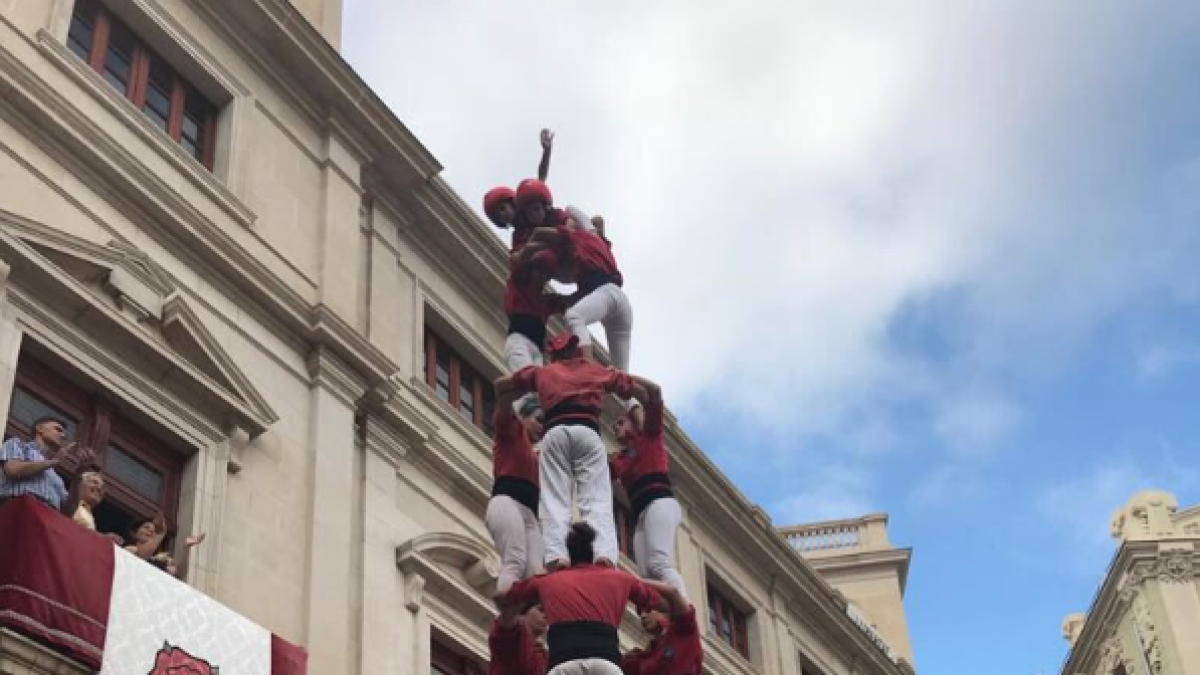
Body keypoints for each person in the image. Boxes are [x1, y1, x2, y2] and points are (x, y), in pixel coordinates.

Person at [495, 333, 638, 569]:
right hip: (588, 432)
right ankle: (603, 554)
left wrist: (514, 395)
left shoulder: (544, 372)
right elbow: (631, 386)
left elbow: (501, 384)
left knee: (554, 499)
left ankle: (556, 556)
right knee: (596, 499)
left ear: (553, 355)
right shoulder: (591, 369)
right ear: (576, 351)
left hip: (556, 433)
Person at [500, 523, 665, 675]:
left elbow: (507, 596)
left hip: (563, 662)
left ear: (570, 556)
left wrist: (539, 575)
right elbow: (661, 603)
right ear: (592, 554)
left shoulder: (547, 581)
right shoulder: (620, 578)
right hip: (606, 663)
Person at [609, 378, 687, 599]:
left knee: (659, 563)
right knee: (646, 573)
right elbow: (595, 469)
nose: (616, 426)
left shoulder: (650, 437)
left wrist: (625, 382)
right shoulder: (620, 460)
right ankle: (662, 613)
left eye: (621, 422)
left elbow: (654, 393)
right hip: (642, 513)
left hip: (660, 503)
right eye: (615, 425)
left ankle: (684, 610)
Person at [527, 214, 631, 373]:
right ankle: (634, 396)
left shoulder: (579, 236)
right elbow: (577, 298)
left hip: (609, 294)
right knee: (621, 373)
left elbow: (540, 233)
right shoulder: (594, 250)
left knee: (574, 316)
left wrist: (525, 256)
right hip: (620, 303)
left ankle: (587, 366)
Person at [487, 388, 546, 594]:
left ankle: (527, 618)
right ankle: (508, 615)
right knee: (515, 561)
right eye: (539, 420)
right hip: (507, 501)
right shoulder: (512, 432)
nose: (542, 428)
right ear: (523, 417)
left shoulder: (538, 456)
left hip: (529, 513)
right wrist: (517, 385)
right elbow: (504, 406)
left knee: (535, 573)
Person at [504, 237, 570, 406]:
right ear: (531, 269)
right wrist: (549, 244)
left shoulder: (545, 301)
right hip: (519, 340)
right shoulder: (517, 283)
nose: (541, 276)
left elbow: (572, 300)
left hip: (538, 350)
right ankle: (526, 416)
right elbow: (522, 255)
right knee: (525, 378)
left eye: (545, 274)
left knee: (540, 388)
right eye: (539, 271)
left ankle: (537, 418)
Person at [0, 416, 93, 510]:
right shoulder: (18, 444)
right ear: (39, 428)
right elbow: (13, 470)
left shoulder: (56, 478)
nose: (63, 436)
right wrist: (53, 461)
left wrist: (79, 473)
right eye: (58, 429)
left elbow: (68, 511)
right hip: (19, 508)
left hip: (48, 518)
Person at [483, 129, 556, 247]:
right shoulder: (518, 237)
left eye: (502, 208)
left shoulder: (530, 207)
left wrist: (547, 151)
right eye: (498, 216)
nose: (502, 215)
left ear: (512, 203)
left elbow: (540, 180)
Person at [621, 583, 702, 675]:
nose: (643, 616)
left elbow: (673, 592)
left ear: (665, 612)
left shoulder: (684, 631)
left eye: (648, 610)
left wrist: (631, 581)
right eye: (640, 613)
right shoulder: (642, 658)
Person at [125, 512, 206, 578]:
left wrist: (187, 547)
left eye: (154, 531)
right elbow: (140, 556)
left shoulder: (155, 561)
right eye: (146, 527)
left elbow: (178, 574)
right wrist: (161, 533)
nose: (151, 531)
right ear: (134, 533)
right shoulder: (128, 548)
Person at [63, 470, 124, 544]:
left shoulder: (88, 514)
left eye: (102, 487)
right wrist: (102, 537)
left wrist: (103, 538)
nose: (99, 488)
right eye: (94, 482)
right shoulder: (65, 498)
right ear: (80, 485)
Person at [489, 601, 549, 675]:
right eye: (541, 610)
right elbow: (507, 620)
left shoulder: (542, 655)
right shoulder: (515, 635)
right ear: (522, 612)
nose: (546, 616)